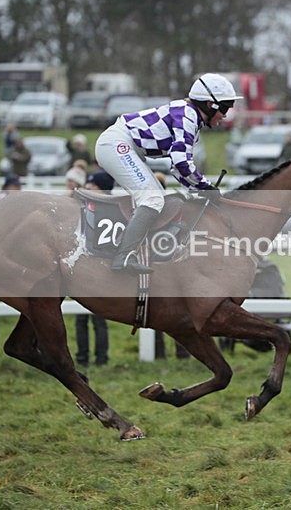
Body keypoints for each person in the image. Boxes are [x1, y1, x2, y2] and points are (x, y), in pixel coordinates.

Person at [94, 72, 242, 274]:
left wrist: (199, 189)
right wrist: (204, 185)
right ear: (210, 104)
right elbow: (181, 162)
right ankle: (123, 257)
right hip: (117, 144)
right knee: (153, 199)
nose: (225, 114)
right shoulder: (187, 115)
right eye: (224, 108)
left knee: (156, 197)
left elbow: (176, 166)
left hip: (124, 145)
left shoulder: (191, 117)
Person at [75, 169, 111, 367]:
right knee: (80, 319)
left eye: (93, 185)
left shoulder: (109, 212)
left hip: (99, 273)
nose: (88, 188)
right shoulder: (85, 209)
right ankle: (82, 357)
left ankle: (101, 358)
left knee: (99, 319)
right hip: (84, 272)